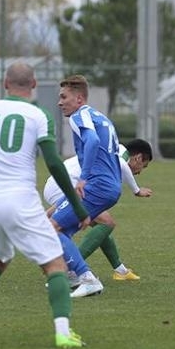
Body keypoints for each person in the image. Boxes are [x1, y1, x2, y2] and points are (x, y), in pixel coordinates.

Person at [0, 62, 91, 349]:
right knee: (55, 264)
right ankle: (63, 332)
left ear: (5, 83)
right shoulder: (38, 114)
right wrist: (77, 205)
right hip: (20, 199)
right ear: (34, 85)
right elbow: (53, 163)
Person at [51, 74, 122, 298]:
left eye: (64, 97)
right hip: (110, 186)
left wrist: (83, 178)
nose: (60, 102)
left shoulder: (78, 116)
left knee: (50, 227)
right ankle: (73, 274)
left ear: (79, 99)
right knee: (63, 230)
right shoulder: (99, 117)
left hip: (97, 185)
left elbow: (92, 141)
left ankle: (87, 278)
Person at [43, 138, 153, 283]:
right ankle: (73, 269)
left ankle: (120, 270)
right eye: (143, 166)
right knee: (106, 223)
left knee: (102, 226)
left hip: (63, 184)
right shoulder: (120, 157)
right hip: (63, 186)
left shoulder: (117, 150)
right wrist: (136, 190)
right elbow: (121, 164)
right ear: (138, 158)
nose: (139, 172)